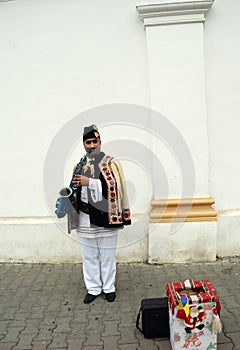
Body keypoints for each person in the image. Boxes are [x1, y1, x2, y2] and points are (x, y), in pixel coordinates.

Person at [68, 125, 131, 304]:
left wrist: (90, 182)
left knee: (108, 254)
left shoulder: (111, 163)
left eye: (95, 141)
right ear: (83, 144)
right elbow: (74, 190)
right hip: (85, 217)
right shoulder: (78, 166)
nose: (91, 145)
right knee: (89, 256)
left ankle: (109, 287)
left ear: (100, 142)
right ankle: (93, 288)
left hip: (106, 217)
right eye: (88, 142)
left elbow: (115, 187)